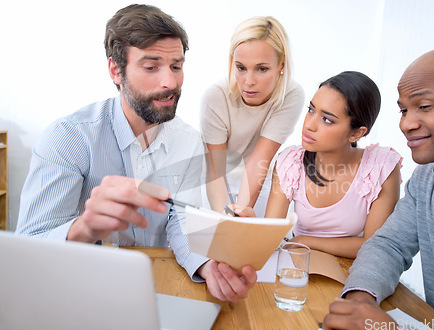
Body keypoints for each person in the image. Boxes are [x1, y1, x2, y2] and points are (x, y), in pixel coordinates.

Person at [15, 4, 256, 303]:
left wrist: (208, 265)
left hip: (156, 286)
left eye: (176, 66)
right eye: (151, 66)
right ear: (116, 70)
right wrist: (84, 228)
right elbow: (29, 247)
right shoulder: (68, 138)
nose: (170, 82)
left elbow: (180, 220)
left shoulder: (189, 141)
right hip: (77, 289)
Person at [322, 46, 434, 330]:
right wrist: (361, 300)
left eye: (424, 107)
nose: (406, 123)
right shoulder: (425, 179)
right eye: (404, 110)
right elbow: (388, 245)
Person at [236, 72, 402, 259]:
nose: (309, 125)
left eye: (327, 119)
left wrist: (305, 241)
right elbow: (270, 235)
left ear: (356, 134)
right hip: (299, 261)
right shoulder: (291, 162)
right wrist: (253, 227)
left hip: (353, 269)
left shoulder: (380, 167)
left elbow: (373, 245)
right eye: (311, 110)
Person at [200, 16, 304, 216]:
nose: (248, 81)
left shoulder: (291, 95)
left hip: (259, 183)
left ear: (282, 65)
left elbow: (259, 160)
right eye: (241, 68)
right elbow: (215, 168)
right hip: (217, 182)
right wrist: (226, 218)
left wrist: (240, 211)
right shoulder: (216, 96)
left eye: (262, 69)